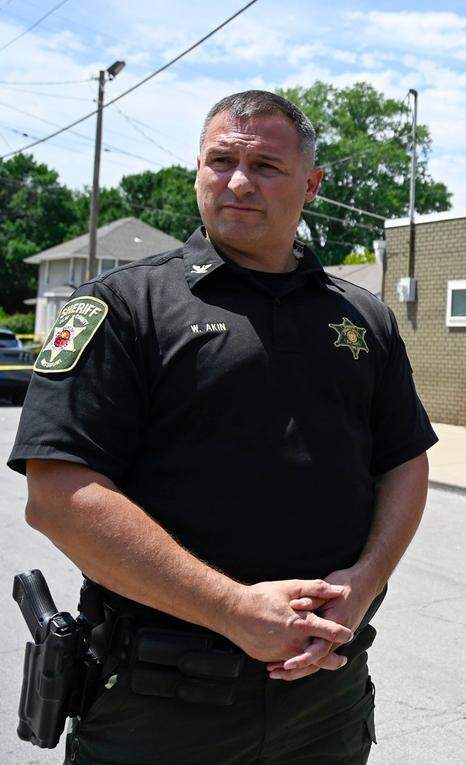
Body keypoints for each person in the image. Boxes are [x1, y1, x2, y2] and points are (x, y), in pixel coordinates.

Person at [8, 90, 437, 764]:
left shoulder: (364, 319)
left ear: (312, 184)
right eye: (221, 160)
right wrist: (233, 609)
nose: (239, 181)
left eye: (266, 165)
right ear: (197, 170)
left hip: (325, 701)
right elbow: (57, 496)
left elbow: (405, 460)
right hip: (160, 708)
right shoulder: (125, 307)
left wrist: (363, 583)